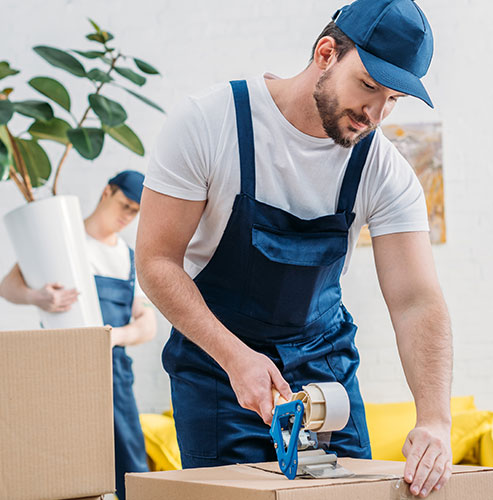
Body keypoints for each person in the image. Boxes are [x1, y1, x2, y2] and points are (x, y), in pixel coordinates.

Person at [136, 0, 452, 498]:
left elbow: (417, 301)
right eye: (368, 87)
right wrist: (236, 358)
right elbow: (155, 262)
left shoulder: (382, 168)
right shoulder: (209, 123)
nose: (375, 114)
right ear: (326, 53)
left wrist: (435, 418)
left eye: (393, 100)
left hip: (324, 369)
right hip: (220, 365)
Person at [0, 170, 156, 500]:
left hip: (112, 372)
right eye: (125, 205)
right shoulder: (62, 240)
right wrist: (37, 296)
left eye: (135, 211)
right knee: (60, 462)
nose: (127, 217)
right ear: (106, 192)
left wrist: (112, 336)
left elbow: (147, 324)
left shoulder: (130, 258)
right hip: (57, 366)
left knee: (129, 463)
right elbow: (8, 286)